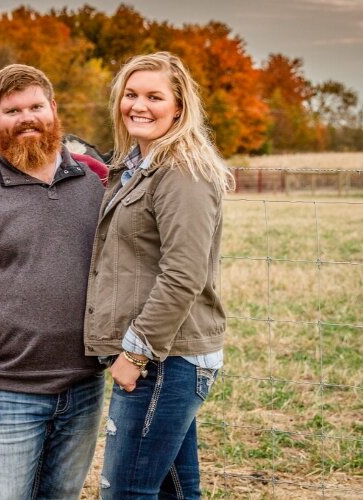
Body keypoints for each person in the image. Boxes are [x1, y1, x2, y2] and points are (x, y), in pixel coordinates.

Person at [0, 64, 109, 499]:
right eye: (13, 110)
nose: (27, 118)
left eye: (35, 106)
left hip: (84, 384)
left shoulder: (98, 179)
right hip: (6, 390)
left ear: (54, 109)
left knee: (62, 495)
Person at [84, 51, 234, 499]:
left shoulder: (182, 172)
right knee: (174, 493)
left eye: (154, 96)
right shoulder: (136, 168)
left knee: (125, 492)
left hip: (165, 361)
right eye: (131, 95)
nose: (139, 106)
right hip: (162, 359)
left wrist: (136, 354)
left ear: (179, 107)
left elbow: (183, 273)